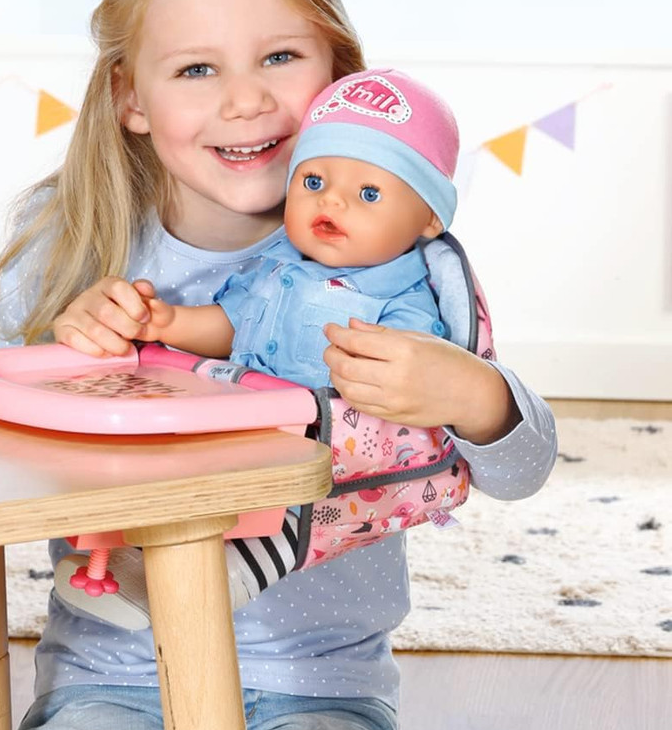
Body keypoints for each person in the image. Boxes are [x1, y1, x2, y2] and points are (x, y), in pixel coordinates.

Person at [0, 0, 557, 730]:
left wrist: (469, 392)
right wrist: (66, 358)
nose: (245, 100)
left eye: (280, 58)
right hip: (119, 677)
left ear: (342, 75)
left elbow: (522, 467)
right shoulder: (66, 240)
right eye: (198, 68)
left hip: (319, 687)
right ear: (131, 96)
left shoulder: (396, 258)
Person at [63, 67, 460, 621]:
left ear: (428, 219)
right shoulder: (278, 267)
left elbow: (418, 371)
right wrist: (168, 322)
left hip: (331, 450)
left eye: (369, 193)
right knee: (171, 476)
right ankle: (116, 560)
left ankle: (209, 584)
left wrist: (395, 365)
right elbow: (232, 323)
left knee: (288, 511)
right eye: (314, 182)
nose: (333, 203)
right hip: (247, 423)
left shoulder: (404, 297)